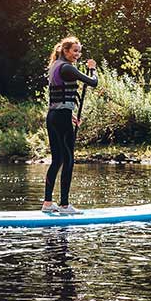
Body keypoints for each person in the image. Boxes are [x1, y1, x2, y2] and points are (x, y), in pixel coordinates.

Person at [43, 36, 97, 215]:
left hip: (54, 116)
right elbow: (93, 82)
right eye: (74, 51)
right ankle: (65, 206)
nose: (77, 54)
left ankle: (48, 203)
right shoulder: (66, 67)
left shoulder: (55, 66)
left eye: (79, 51)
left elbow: (60, 97)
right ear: (65, 51)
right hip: (61, 119)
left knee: (57, 160)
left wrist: (70, 114)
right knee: (68, 161)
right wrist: (92, 69)